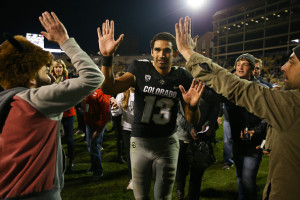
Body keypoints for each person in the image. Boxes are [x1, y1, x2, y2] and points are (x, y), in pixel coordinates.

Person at [175, 16, 300, 200]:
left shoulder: (285, 100)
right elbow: (217, 94)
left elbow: (236, 88)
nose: (283, 67)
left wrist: (188, 53)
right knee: (241, 179)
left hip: (254, 146)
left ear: (253, 69)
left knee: (248, 182)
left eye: (292, 61)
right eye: (238, 64)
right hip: (240, 142)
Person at [0, 11, 104, 200]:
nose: (48, 70)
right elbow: (93, 77)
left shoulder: (7, 100)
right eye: (43, 67)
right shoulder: (35, 100)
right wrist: (64, 39)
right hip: (37, 193)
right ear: (30, 75)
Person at [97, 19, 204, 199]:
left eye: (167, 50)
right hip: (140, 143)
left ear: (174, 53)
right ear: (152, 52)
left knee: (163, 197)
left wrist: (192, 106)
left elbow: (192, 119)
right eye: (158, 50)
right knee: (141, 197)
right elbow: (108, 88)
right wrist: (107, 58)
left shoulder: (182, 76)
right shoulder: (140, 67)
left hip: (167, 143)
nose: (162, 54)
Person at [175, 89, 220, 200]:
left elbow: (215, 108)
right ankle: (180, 189)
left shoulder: (209, 89)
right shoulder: (181, 88)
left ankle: (192, 197)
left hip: (201, 138)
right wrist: (189, 128)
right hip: (183, 137)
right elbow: (177, 113)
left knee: (197, 173)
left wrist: (208, 123)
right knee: (181, 170)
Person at [50, 59, 77, 172]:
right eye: (56, 67)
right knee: (55, 139)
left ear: (63, 69)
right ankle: (58, 160)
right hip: (54, 113)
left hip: (67, 113)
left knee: (69, 139)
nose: (58, 69)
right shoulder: (49, 81)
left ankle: (71, 161)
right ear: (53, 69)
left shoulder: (68, 81)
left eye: (60, 67)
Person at [84, 86, 111, 181]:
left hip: (97, 124)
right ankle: (94, 166)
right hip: (89, 123)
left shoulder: (103, 91)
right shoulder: (88, 88)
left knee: (95, 146)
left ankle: (99, 171)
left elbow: (105, 113)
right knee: (90, 146)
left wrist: (99, 130)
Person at [111, 86, 135, 190]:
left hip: (141, 130)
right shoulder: (122, 94)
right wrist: (115, 107)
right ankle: (133, 179)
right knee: (130, 156)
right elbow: (115, 113)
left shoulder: (143, 92)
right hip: (128, 129)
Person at [111, 70, 126, 164]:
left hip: (124, 114)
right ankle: (120, 155)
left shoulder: (125, 88)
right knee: (119, 136)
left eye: (117, 77)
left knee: (125, 135)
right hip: (117, 114)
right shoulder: (114, 87)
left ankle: (124, 153)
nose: (115, 78)